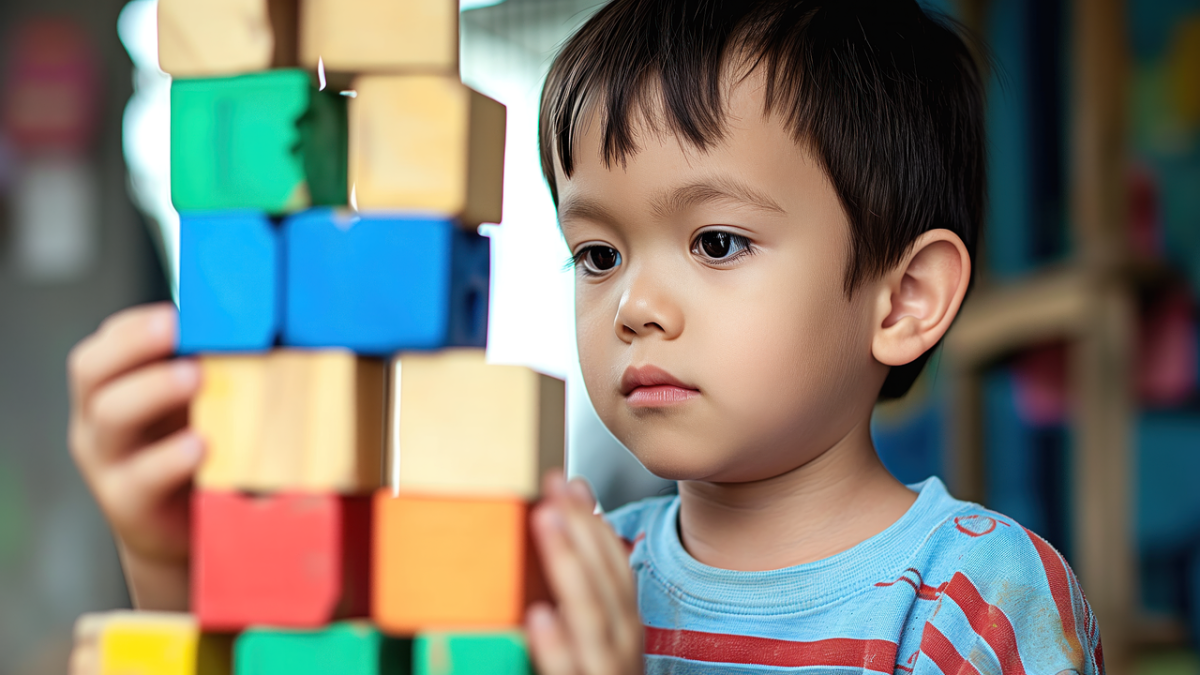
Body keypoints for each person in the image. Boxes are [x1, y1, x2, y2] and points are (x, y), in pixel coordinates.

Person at [69, 1, 1103, 673]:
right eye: (598, 253)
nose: (633, 304)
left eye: (717, 241)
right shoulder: (576, 574)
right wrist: (170, 556)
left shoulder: (976, 598)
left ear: (904, 297)